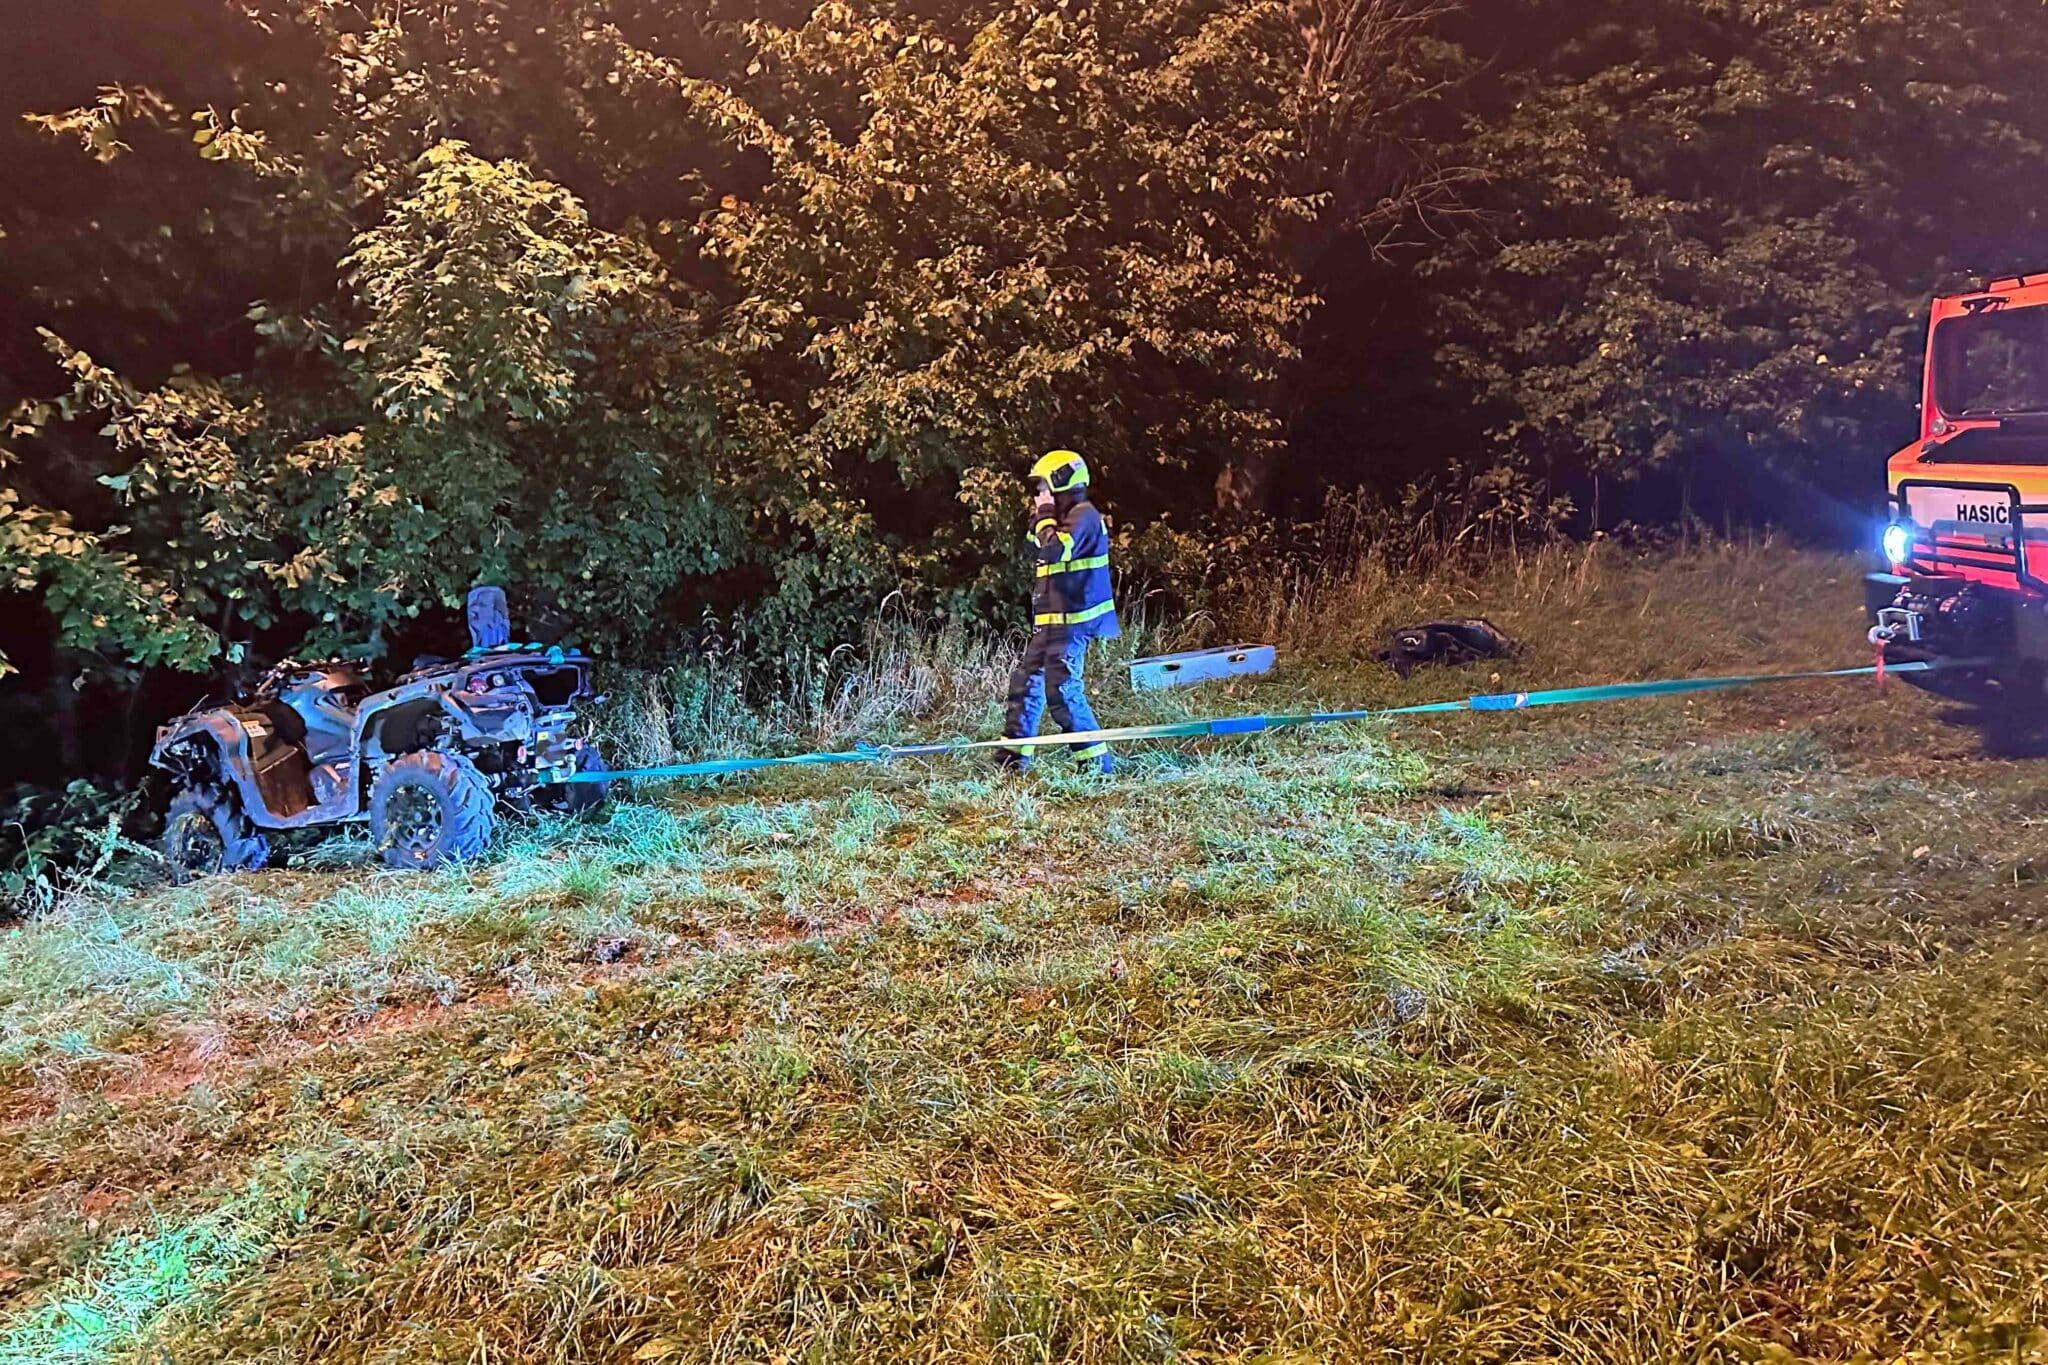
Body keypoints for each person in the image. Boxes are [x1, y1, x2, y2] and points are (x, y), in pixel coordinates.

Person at [1001, 449, 1119, 775]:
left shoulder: (1084, 516)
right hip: (1052, 623)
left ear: (1062, 479)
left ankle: (1096, 766)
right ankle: (1013, 759)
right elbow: (1035, 544)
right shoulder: (1062, 518)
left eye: (1043, 484)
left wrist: (1046, 515)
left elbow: (1053, 550)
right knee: (1026, 686)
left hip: (1072, 625)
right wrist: (1043, 516)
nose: (1040, 492)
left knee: (1063, 693)